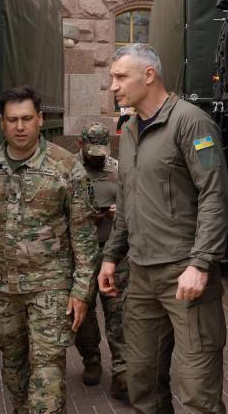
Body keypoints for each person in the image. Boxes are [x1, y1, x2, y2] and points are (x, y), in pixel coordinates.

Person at [99, 44, 228, 414]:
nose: (113, 86)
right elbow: (127, 198)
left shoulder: (191, 123)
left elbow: (215, 194)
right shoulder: (129, 130)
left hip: (184, 272)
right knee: (142, 383)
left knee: (198, 392)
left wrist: (201, 263)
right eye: (112, 78)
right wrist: (111, 256)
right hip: (141, 275)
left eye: (120, 76)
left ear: (149, 75)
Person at [0, 85, 99, 414]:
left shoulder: (65, 168)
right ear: (2, 122)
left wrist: (81, 291)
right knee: (14, 371)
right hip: (2, 289)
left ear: (40, 119)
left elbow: (84, 237)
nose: (20, 126)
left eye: (27, 118)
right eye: (13, 119)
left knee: (47, 374)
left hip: (51, 288)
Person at [73, 121, 129, 401]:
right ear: (80, 145)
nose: (97, 158)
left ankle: (122, 372)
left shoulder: (118, 170)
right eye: (91, 151)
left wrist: (122, 211)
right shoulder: (68, 171)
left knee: (119, 313)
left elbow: (135, 204)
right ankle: (91, 359)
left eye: (101, 152)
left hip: (113, 252)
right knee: (82, 315)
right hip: (79, 254)